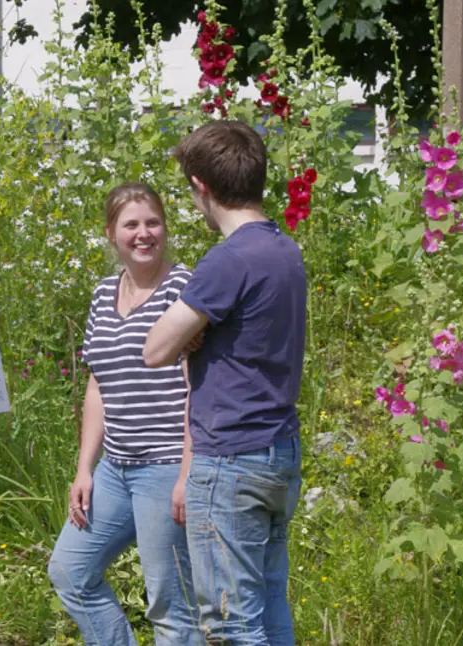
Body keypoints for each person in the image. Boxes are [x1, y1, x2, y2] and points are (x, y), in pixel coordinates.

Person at [143, 120, 308, 645]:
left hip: (231, 459)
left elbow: (155, 349)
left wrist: (194, 331)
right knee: (268, 605)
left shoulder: (228, 260)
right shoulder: (285, 251)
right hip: (279, 450)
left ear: (201, 186)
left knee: (231, 623)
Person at [48, 182, 204, 646]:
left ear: (165, 228)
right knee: (71, 571)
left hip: (165, 465)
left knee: (170, 604)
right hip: (115, 467)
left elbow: (202, 384)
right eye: (131, 224)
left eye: (152, 222)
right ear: (111, 233)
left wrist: (186, 472)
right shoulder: (102, 293)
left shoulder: (185, 288)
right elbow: (98, 385)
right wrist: (85, 469)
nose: (143, 234)